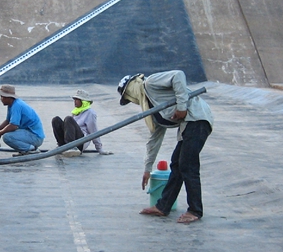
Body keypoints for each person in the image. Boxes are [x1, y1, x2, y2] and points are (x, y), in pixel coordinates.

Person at [118, 71, 213, 224]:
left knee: (188, 166)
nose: (132, 99)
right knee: (177, 165)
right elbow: (155, 137)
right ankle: (163, 206)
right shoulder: (152, 105)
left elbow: (178, 76)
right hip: (188, 125)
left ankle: (195, 210)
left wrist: (181, 107)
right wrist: (147, 168)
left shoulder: (151, 83)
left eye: (129, 95)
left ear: (132, 87)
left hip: (197, 119)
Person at [51, 88, 108, 156]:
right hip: (71, 139)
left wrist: (99, 149)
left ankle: (71, 147)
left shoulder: (90, 113)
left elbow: (93, 131)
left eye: (77, 100)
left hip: (80, 142)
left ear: (83, 101)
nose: (75, 101)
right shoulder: (76, 112)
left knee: (68, 119)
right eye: (74, 99)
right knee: (56, 120)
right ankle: (62, 146)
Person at [0, 85, 45, 154]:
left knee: (7, 137)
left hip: (36, 137)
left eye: (2, 97)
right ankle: (27, 148)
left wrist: (0, 133)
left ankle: (30, 149)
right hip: (29, 133)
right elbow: (8, 121)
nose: (1, 99)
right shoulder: (12, 105)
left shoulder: (17, 105)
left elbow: (13, 126)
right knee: (7, 133)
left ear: (9, 97)